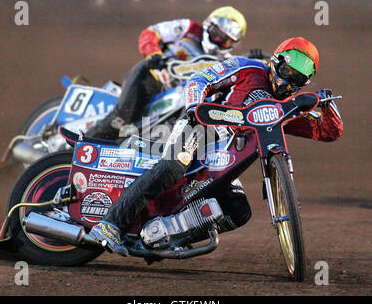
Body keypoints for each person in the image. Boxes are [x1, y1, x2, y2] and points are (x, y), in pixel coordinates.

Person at [89, 37, 343, 256]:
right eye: (288, 73)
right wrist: (193, 107)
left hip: (226, 152)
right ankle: (110, 224)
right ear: (277, 62)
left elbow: (329, 131)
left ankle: (165, 235)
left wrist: (327, 106)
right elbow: (201, 79)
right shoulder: (247, 67)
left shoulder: (289, 106)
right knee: (172, 167)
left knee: (238, 211)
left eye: (298, 80)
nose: (289, 84)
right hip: (202, 124)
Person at [85, 6, 252, 140]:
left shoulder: (225, 60)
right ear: (209, 26)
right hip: (151, 77)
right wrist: (153, 53)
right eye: (217, 34)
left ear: (234, 43)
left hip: (177, 95)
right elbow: (151, 33)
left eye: (226, 40)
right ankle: (77, 150)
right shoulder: (188, 28)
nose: (219, 41)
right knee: (119, 121)